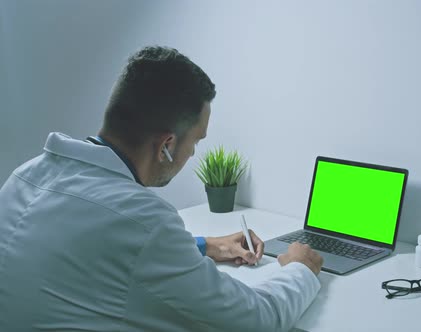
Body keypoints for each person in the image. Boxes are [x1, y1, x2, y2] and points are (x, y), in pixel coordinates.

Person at [0, 46, 323, 331]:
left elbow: (94, 249)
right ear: (166, 145)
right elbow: (255, 320)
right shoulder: (141, 219)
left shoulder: (26, 175)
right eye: (196, 140)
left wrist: (206, 246)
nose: (194, 152)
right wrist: (300, 269)